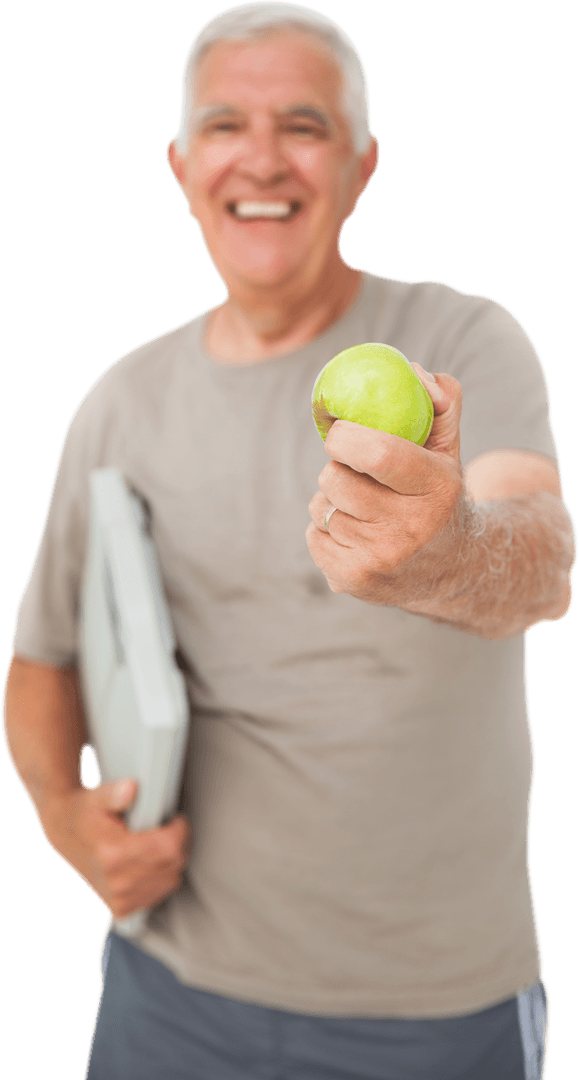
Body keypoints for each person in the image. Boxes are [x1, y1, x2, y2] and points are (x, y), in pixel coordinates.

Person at [2, 2, 576, 1078]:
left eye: (305, 125)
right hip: (166, 1001)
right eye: (226, 124)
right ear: (181, 165)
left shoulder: (463, 339)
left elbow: (542, 553)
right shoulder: (118, 403)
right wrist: (75, 831)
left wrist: (450, 547)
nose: (261, 157)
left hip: (441, 1017)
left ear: (364, 165)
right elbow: (40, 669)